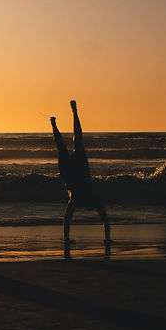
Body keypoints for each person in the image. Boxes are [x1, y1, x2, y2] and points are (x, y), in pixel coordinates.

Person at [51, 100, 110, 254]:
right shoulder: (78, 199)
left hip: (78, 172)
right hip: (71, 173)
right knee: (63, 146)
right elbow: (67, 221)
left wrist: (107, 237)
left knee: (77, 139)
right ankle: (54, 124)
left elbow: (104, 220)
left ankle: (74, 112)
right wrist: (107, 239)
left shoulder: (84, 198)